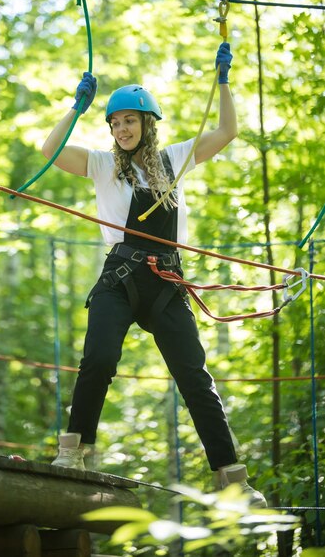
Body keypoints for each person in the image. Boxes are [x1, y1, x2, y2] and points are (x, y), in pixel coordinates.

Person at [42, 43, 267, 507]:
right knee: (99, 360)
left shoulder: (176, 159)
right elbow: (51, 152)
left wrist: (223, 81)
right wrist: (75, 107)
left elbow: (228, 130)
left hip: (166, 283)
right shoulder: (104, 166)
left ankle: (232, 479)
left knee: (195, 378)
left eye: (129, 120)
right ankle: (73, 451)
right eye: (115, 122)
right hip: (119, 278)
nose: (122, 129)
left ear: (148, 124)